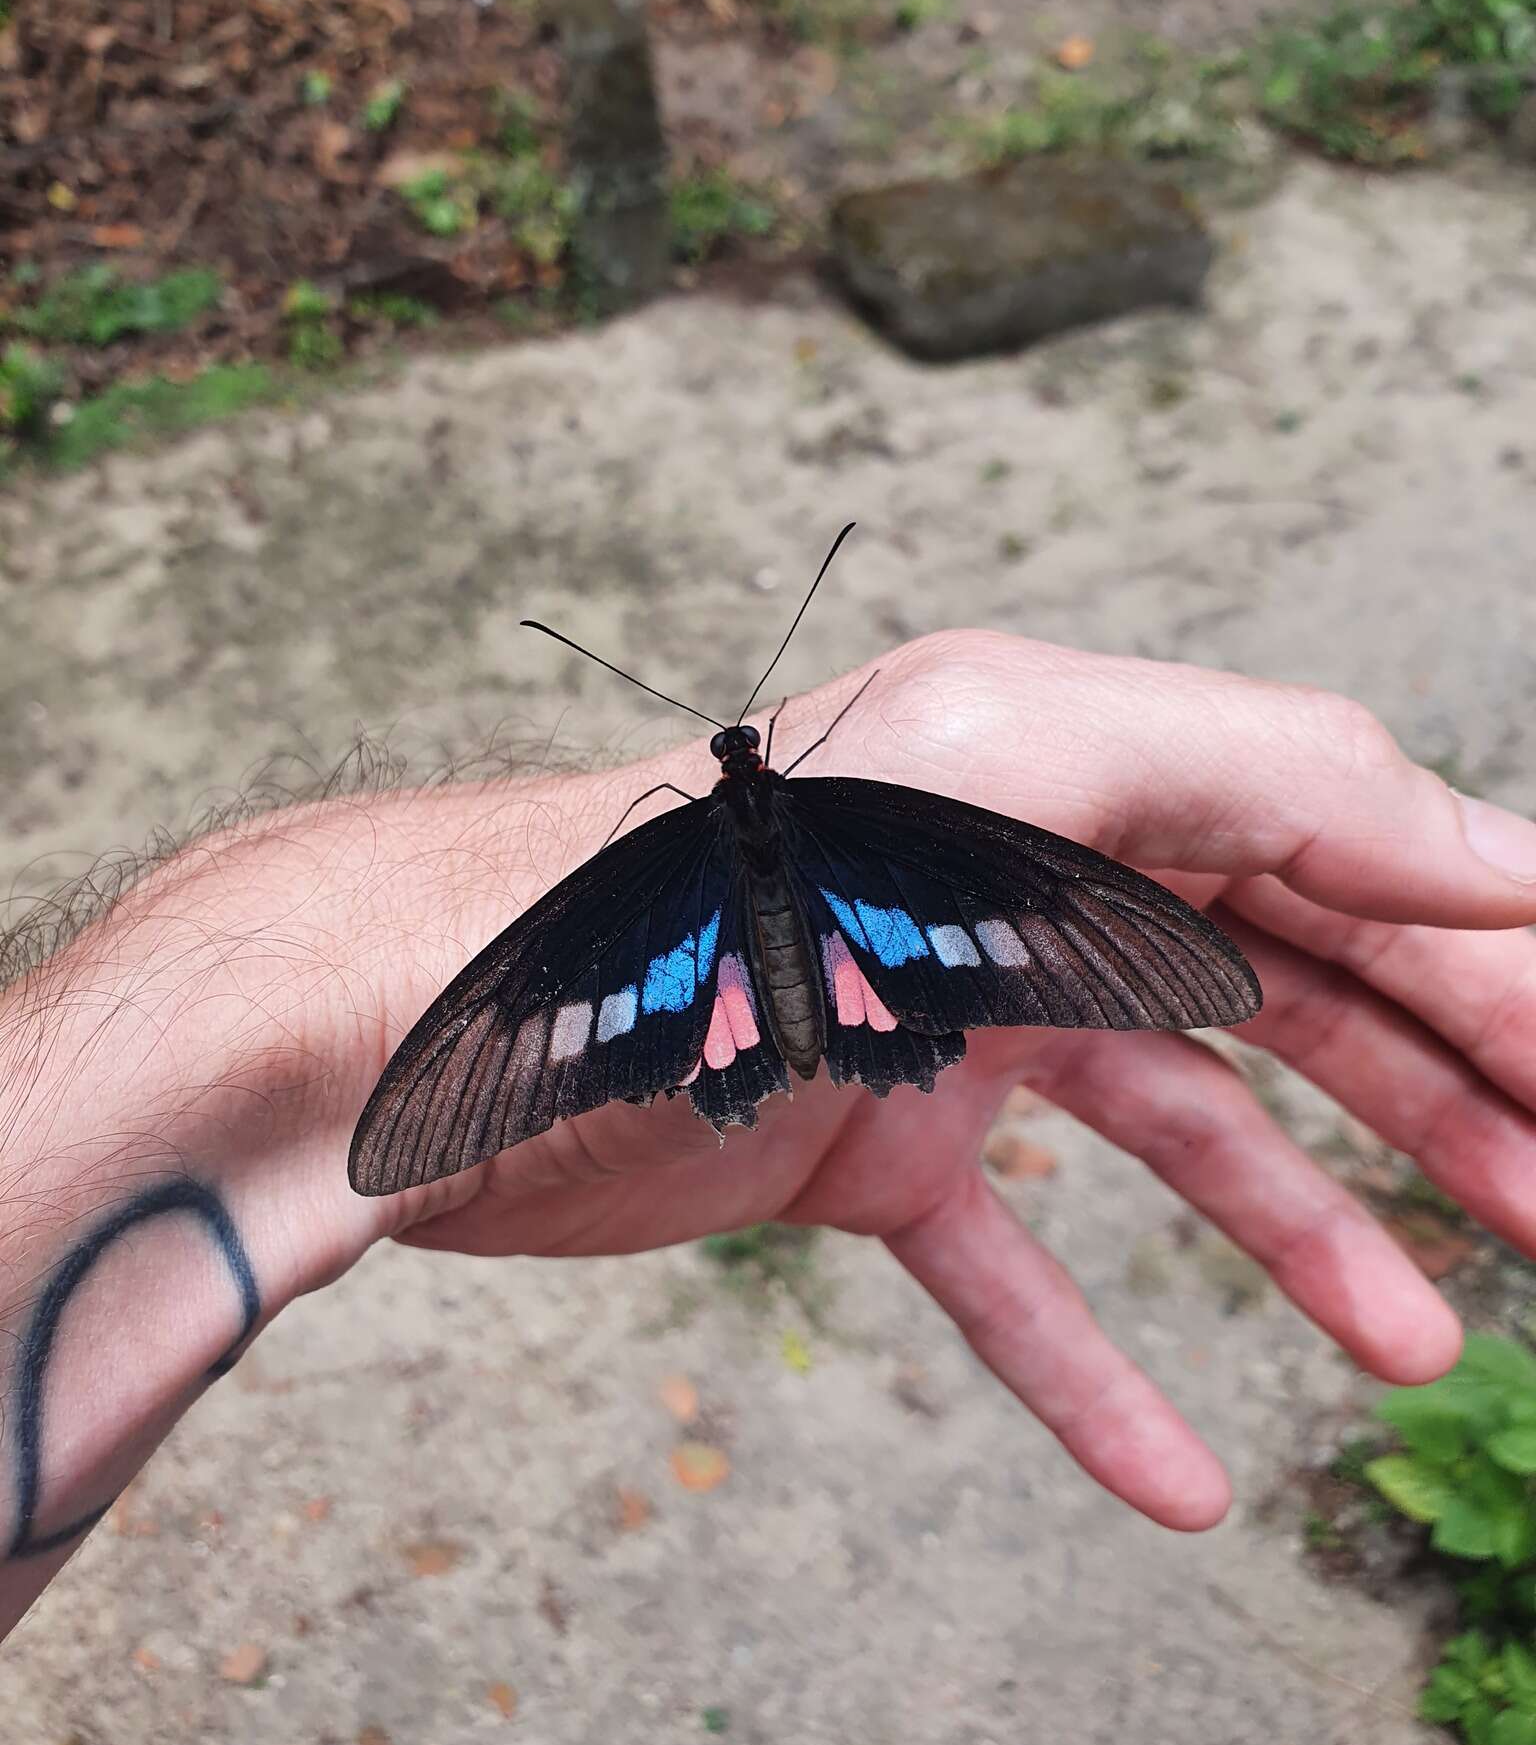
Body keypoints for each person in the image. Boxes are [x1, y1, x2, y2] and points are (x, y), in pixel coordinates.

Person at [3, 627, 1535, 1641]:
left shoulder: (664, 859)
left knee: (766, 982)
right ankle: (834, 1017)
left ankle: (768, 1031)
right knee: (834, 978)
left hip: (730, 983)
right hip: (854, 950)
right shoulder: (877, 821)